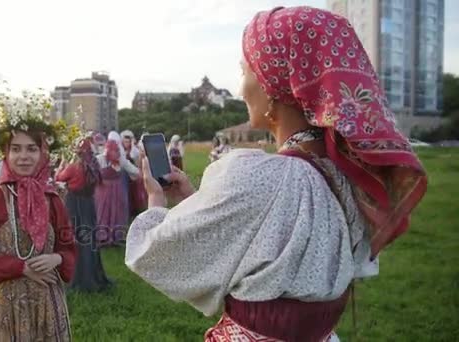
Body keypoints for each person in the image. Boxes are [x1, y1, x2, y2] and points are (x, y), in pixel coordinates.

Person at [125, 6, 427, 341]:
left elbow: (155, 254)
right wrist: (196, 201)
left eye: (245, 72)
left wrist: (156, 200)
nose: (241, 89)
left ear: (272, 85)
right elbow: (268, 236)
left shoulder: (253, 176)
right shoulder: (351, 180)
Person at [0, 97, 77, 340]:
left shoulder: (53, 199)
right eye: (16, 148)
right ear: (5, 153)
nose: (23, 156)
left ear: (44, 153)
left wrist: (57, 257)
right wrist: (21, 267)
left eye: (31, 149)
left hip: (47, 302)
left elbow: (68, 246)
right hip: (6, 304)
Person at [55, 138, 112, 292]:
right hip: (89, 203)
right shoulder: (94, 164)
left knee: (75, 239)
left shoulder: (74, 166)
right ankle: (92, 273)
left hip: (74, 203)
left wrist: (62, 165)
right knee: (89, 239)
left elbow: (58, 178)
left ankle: (79, 277)